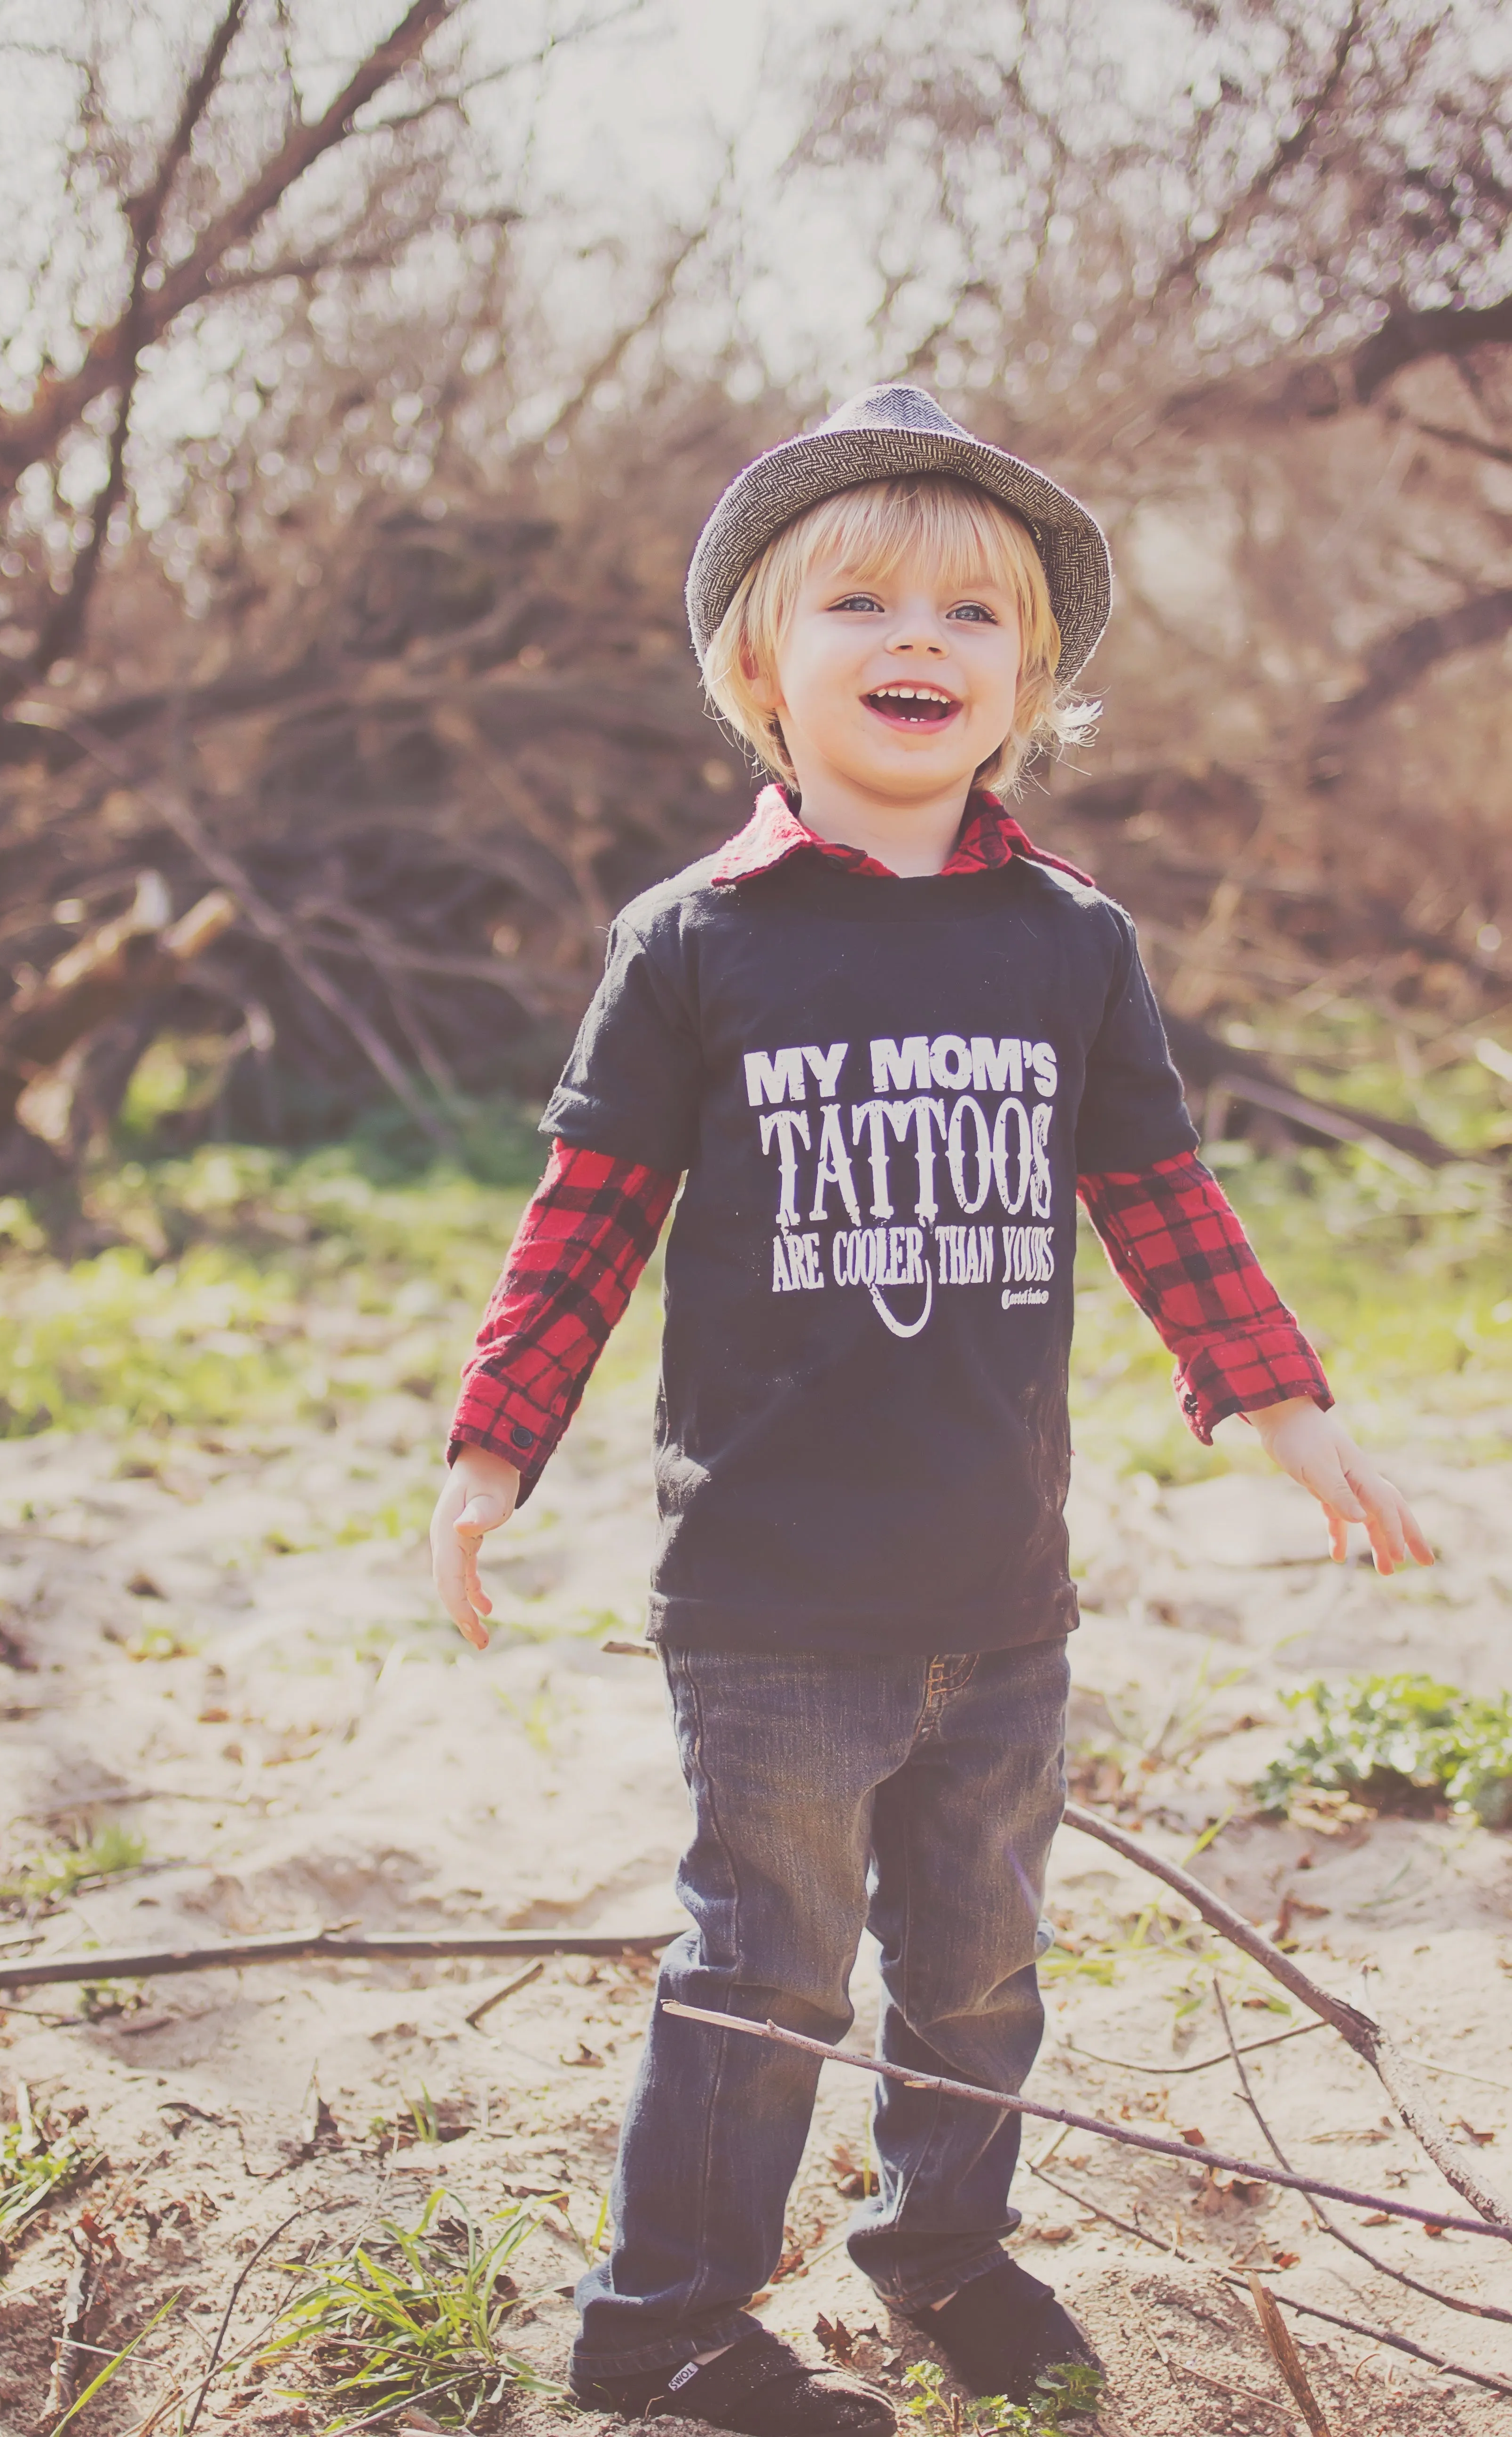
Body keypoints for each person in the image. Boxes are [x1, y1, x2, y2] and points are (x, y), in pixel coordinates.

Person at [428, 385, 1433, 2437]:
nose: (920, 638)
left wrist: (1287, 1409)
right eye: (861, 600)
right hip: (773, 1604)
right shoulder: (695, 942)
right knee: (766, 1971)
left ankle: (943, 2247)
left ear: (1029, 684)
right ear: (758, 671)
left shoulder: (1069, 940)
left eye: (974, 615)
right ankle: (669, 2320)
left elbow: (1160, 1196)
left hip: (1003, 1596)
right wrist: (487, 1451)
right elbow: (587, 1218)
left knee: (978, 1970)